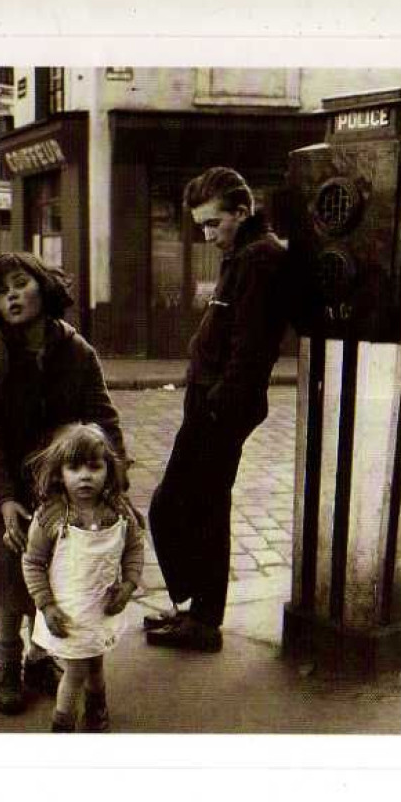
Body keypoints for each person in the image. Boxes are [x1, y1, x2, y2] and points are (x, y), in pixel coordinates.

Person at [0, 252, 130, 716]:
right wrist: (4, 500)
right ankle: (7, 662)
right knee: (9, 582)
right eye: (0, 291)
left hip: (57, 490)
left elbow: (103, 417)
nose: (11, 296)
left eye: (19, 284)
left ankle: (39, 658)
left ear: (43, 286)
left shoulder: (77, 352)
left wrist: (116, 476)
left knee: (52, 573)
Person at [146, 167, 290, 652]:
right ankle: (198, 611)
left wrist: (215, 409)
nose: (207, 235)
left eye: (213, 223)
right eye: (201, 226)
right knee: (197, 507)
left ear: (242, 212)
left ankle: (204, 619)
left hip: (219, 407)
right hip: (210, 401)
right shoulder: (243, 255)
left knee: (178, 507)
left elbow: (250, 351)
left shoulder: (260, 259)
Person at [21, 423, 145, 733]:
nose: (85, 475)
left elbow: (134, 549)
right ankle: (63, 723)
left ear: (109, 470)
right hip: (67, 613)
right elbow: (33, 561)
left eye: (94, 466)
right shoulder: (52, 516)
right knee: (75, 670)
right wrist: (46, 605)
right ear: (60, 473)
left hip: (101, 607)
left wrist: (128, 586)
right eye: (74, 467)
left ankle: (97, 706)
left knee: (95, 660)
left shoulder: (118, 512)